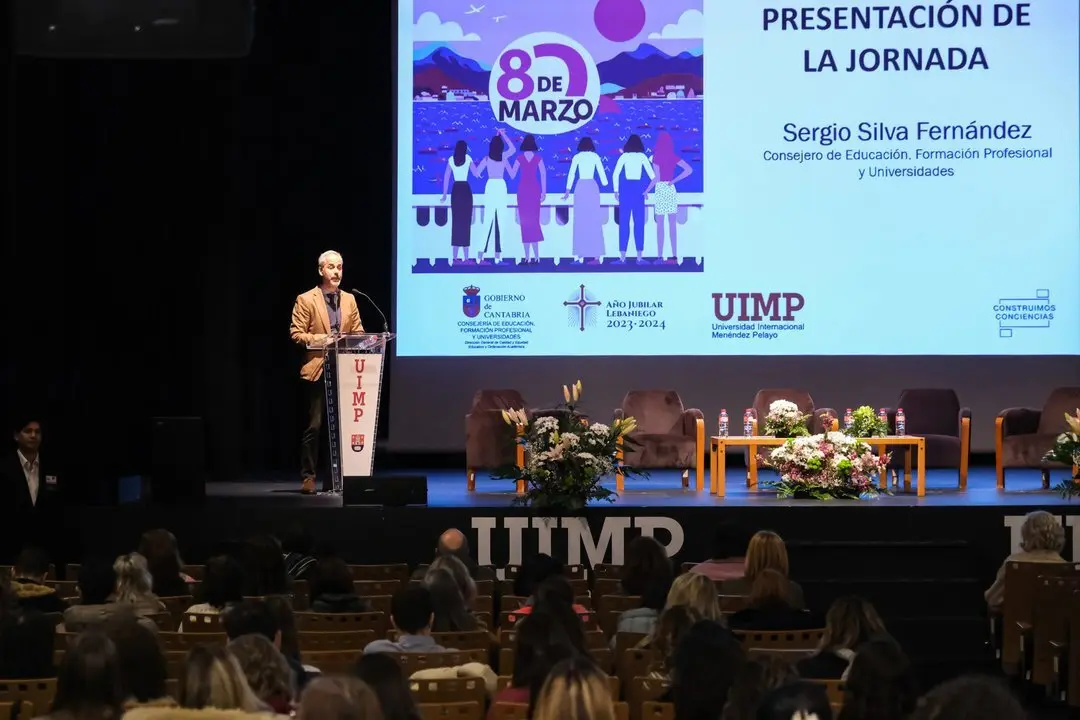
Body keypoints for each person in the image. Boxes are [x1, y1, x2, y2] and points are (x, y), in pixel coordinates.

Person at [289, 250, 365, 494]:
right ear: (321, 270)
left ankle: (340, 478)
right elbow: (296, 334)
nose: (336, 272)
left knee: (345, 427)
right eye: (331, 267)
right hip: (318, 370)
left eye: (340, 267)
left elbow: (359, 333)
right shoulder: (306, 299)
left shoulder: (350, 300)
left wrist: (359, 341)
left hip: (344, 371)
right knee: (315, 425)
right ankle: (308, 477)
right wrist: (326, 340)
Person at [2, 417, 60, 513]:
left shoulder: (52, 467)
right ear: (16, 436)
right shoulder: (4, 468)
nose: (33, 435)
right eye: (28, 431)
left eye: (37, 432)